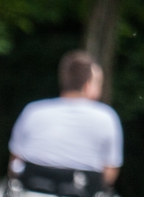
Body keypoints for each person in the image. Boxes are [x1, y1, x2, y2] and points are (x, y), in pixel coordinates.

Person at [9, 50, 123, 185]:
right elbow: (110, 171)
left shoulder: (32, 111)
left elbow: (15, 162)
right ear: (87, 86)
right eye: (98, 83)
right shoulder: (107, 117)